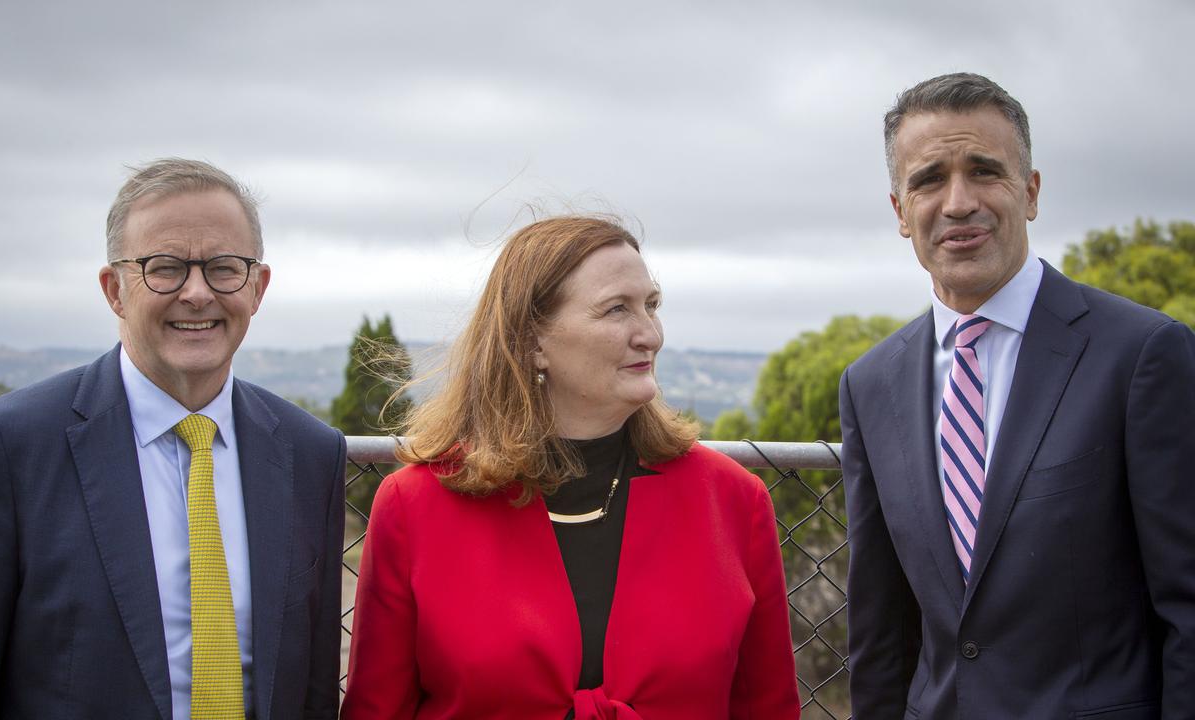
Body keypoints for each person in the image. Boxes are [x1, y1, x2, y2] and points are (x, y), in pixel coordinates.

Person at [0, 158, 346, 719]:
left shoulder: (311, 454)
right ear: (114, 289)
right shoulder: (11, 446)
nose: (197, 293)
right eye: (164, 268)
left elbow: (312, 692)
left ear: (258, 287)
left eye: (224, 267)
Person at [342, 216, 798, 719]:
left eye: (651, 305)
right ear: (533, 341)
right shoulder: (416, 506)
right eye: (616, 309)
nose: (650, 335)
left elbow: (769, 707)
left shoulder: (734, 500)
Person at [840, 72, 1195, 718]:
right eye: (928, 180)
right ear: (899, 211)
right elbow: (880, 633)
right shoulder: (870, 386)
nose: (957, 202)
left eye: (984, 171)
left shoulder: (1144, 356)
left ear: (1030, 193)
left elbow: (1188, 611)